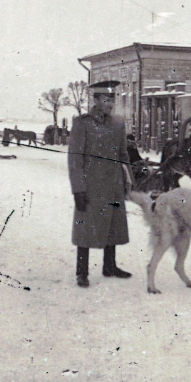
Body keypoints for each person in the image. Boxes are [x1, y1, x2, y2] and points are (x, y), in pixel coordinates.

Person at [67, 80, 132, 288]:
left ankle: (110, 266)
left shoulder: (118, 123)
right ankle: (82, 272)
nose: (110, 104)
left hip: (113, 184)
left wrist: (129, 179)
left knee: (113, 225)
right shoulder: (82, 123)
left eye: (112, 100)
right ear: (96, 100)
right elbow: (75, 160)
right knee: (85, 228)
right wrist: (78, 189)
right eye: (106, 100)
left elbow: (123, 155)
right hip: (90, 186)